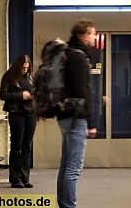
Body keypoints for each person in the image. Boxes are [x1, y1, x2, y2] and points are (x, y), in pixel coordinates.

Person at [57, 19, 98, 208]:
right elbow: (82, 91)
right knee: (73, 167)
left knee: (66, 165)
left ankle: (64, 204)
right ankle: (68, 205)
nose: (95, 37)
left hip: (66, 115)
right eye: (92, 34)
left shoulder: (67, 53)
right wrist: (90, 121)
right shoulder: (78, 57)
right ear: (82, 36)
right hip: (77, 118)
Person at [0, 55, 36, 189]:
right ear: (18, 66)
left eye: (27, 68)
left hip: (30, 113)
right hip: (17, 113)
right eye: (23, 67)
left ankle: (25, 177)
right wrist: (21, 95)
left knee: (27, 145)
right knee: (17, 146)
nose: (25, 70)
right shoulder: (9, 77)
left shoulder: (30, 77)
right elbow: (3, 95)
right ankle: (15, 178)